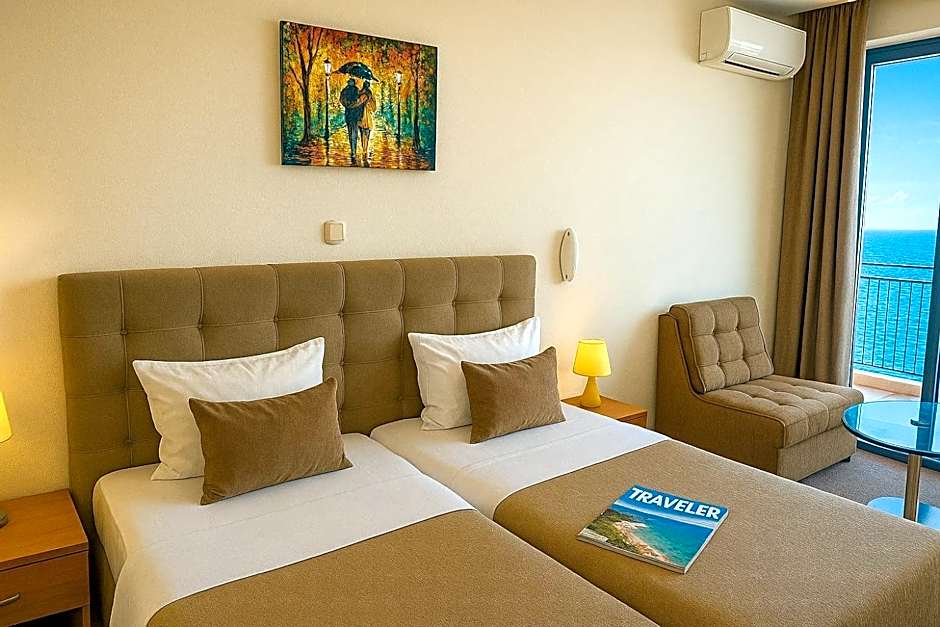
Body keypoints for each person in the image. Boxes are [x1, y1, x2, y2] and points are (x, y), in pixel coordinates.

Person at [339, 78, 362, 164]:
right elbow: (342, 100)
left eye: (351, 82)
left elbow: (343, 100)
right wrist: (351, 104)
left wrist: (348, 104)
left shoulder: (354, 90)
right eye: (350, 82)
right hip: (351, 113)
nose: (350, 83)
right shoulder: (347, 90)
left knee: (353, 133)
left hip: (352, 114)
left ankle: (353, 151)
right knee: (352, 133)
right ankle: (353, 151)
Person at [355, 81, 377, 166]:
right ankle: (365, 149)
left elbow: (357, 104)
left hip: (362, 116)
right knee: (366, 133)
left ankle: (364, 149)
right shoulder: (369, 95)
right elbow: (374, 108)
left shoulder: (361, 94)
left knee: (363, 132)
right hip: (365, 116)